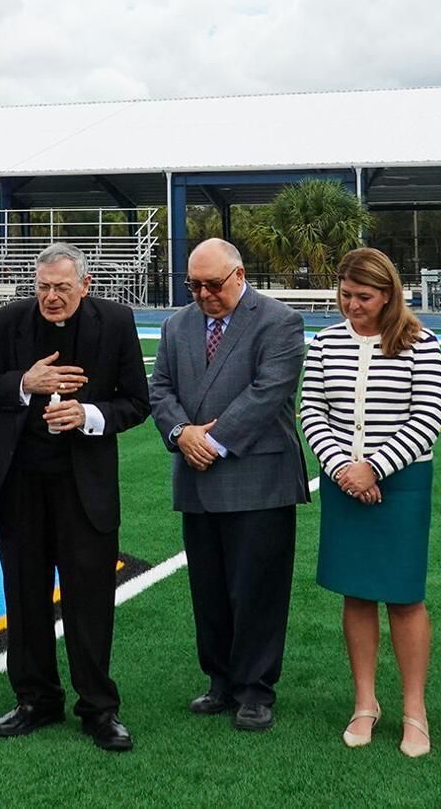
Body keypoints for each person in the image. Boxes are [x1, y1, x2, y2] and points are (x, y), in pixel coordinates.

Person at [0, 242, 150, 752]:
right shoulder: (3, 324)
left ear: (85, 286)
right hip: (19, 484)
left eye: (63, 288)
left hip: (83, 486)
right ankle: (35, 700)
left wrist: (87, 416)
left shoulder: (116, 322)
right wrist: (24, 382)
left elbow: (136, 402)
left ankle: (99, 709)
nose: (52, 297)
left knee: (90, 599)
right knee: (25, 597)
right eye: (44, 287)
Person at [148, 238, 306, 734]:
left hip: (258, 478)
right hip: (196, 480)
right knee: (209, 588)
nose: (202, 294)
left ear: (238, 275)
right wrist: (181, 433)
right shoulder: (177, 325)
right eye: (193, 284)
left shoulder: (279, 321)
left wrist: (211, 441)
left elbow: (269, 392)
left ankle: (256, 689)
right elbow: (160, 389)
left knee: (257, 588)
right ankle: (219, 681)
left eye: (212, 284)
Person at [298, 247, 441, 758]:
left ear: (388, 295)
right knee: (356, 596)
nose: (352, 305)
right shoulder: (324, 343)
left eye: (363, 296)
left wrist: (375, 467)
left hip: (401, 486)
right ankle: (365, 703)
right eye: (345, 295)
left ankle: (414, 709)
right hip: (344, 485)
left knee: (404, 598)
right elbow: (312, 411)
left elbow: (429, 415)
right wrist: (343, 468)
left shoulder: (421, 343)